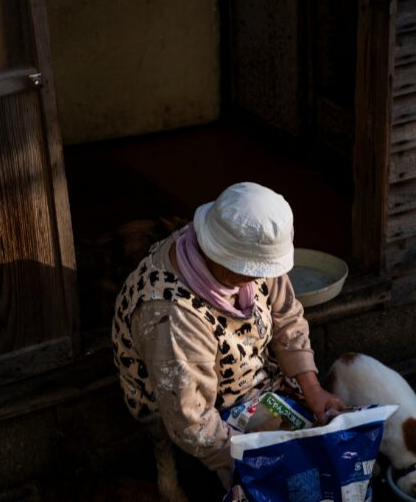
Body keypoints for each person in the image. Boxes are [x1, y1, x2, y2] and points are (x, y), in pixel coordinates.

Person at [111, 182, 346, 483]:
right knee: (281, 485)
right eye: (255, 269)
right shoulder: (171, 315)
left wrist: (313, 391)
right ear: (222, 257)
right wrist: (254, 459)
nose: (265, 277)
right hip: (195, 411)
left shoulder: (247, 253)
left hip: (254, 384)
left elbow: (287, 317)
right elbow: (191, 421)